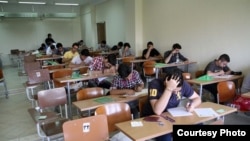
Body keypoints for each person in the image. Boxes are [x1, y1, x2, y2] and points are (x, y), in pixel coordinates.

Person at [142, 68, 201, 141]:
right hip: (153, 118)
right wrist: (168, 89)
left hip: (171, 117)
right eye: (174, 90)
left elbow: (197, 98)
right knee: (166, 137)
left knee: (199, 125)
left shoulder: (182, 84)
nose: (176, 93)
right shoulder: (155, 84)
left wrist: (193, 105)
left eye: (178, 90)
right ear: (166, 82)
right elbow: (157, 111)